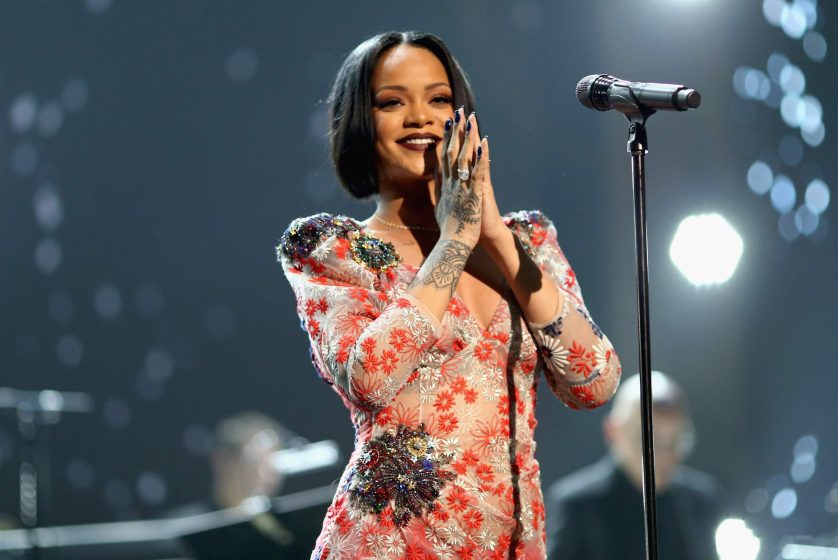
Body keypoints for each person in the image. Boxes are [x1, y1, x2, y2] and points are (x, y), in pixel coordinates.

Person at [277, 31, 622, 559]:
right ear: (359, 123)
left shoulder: (527, 241)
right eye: (392, 102)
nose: (420, 117)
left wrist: (495, 237)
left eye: (439, 99)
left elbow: (594, 381)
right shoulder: (334, 250)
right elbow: (369, 377)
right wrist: (455, 240)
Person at [546, 371, 722, 560]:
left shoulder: (703, 502)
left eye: (675, 442)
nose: (662, 455)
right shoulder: (577, 507)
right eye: (648, 441)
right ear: (613, 432)